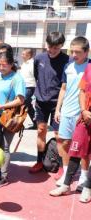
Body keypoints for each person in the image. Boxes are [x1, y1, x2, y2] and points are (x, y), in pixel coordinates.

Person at [48, 36, 90, 195]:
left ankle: (84, 178)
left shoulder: (90, 66)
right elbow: (63, 89)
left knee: (84, 149)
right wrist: (58, 109)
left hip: (83, 115)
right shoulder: (68, 66)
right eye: (71, 51)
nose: (73, 54)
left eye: (77, 52)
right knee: (64, 143)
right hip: (66, 112)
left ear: (86, 52)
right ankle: (66, 173)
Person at [29, 32, 70, 177]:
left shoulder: (67, 60)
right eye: (50, 47)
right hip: (40, 101)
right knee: (41, 131)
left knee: (59, 135)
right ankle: (39, 161)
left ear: (62, 46)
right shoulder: (39, 58)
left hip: (57, 104)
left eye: (56, 48)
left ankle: (60, 166)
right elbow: (36, 76)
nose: (52, 50)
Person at [0, 51, 26, 188]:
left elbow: (20, 100)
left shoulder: (17, 78)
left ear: (11, 65)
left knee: (4, 146)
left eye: (4, 65)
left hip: (10, 118)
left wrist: (2, 106)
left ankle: (3, 177)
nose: (1, 67)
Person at [19, 48, 36, 129]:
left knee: (22, 104)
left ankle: (18, 123)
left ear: (29, 55)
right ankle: (35, 122)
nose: (22, 55)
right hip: (23, 86)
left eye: (23, 54)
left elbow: (36, 76)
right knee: (28, 106)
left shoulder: (32, 64)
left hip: (30, 86)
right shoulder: (24, 63)